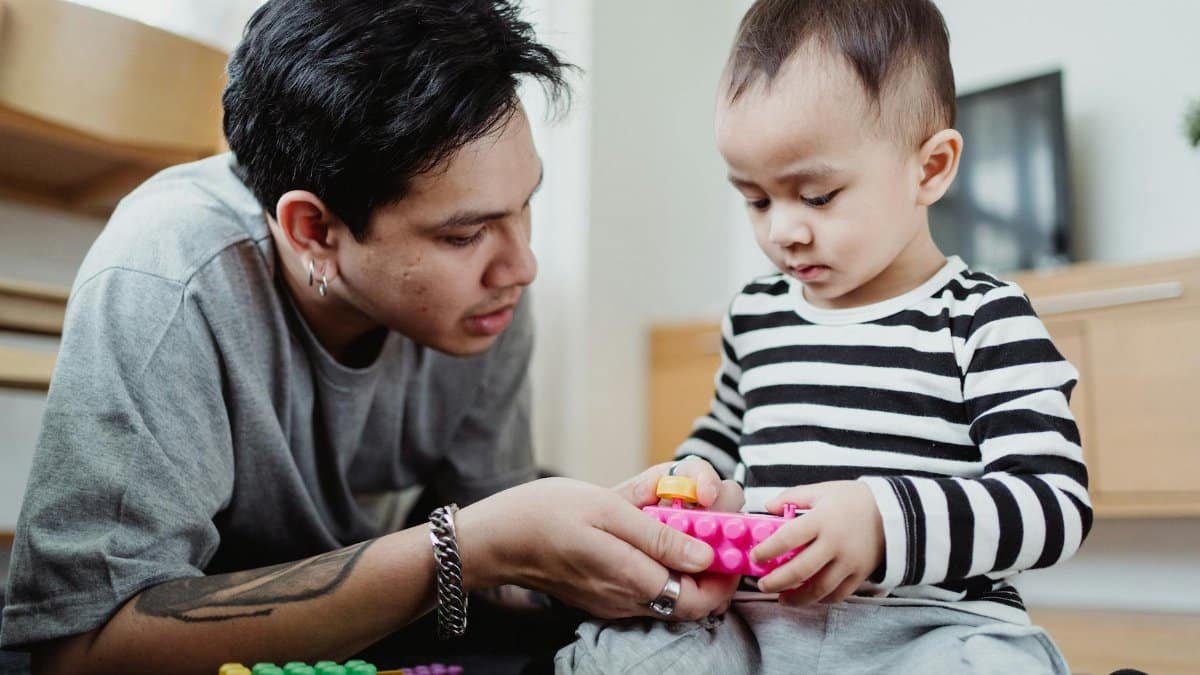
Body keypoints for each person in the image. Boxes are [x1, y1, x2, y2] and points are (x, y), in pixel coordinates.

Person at [0, 2, 739, 672]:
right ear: (314, 229)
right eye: (463, 234)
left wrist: (605, 544)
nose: (521, 264)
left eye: (525, 206)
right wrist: (467, 548)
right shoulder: (167, 281)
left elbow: (499, 547)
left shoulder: (489, 295)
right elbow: (78, 653)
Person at [557, 1, 1092, 673]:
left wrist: (881, 519)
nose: (783, 230)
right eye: (756, 199)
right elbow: (722, 439)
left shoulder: (985, 316)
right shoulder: (756, 314)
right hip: (755, 622)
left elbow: (1053, 501)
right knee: (617, 656)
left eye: (815, 196)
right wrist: (690, 480)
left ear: (929, 168)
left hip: (930, 627)